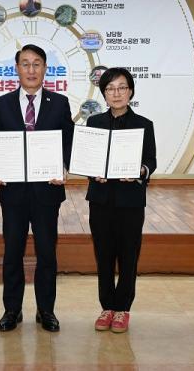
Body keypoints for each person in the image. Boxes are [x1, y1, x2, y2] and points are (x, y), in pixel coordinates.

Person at [0, 44, 74, 333]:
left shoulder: (59, 103)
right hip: (13, 192)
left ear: (45, 69)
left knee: (47, 253)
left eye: (37, 64)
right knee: (12, 252)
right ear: (17, 69)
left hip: (47, 191)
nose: (31, 69)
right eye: (25, 64)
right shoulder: (2, 104)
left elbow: (68, 142)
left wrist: (64, 167)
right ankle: (12, 310)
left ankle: (45, 310)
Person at [85, 67, 156, 334]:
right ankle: (107, 307)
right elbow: (89, 159)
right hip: (101, 200)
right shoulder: (94, 123)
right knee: (103, 255)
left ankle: (123, 308)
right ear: (104, 94)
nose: (116, 93)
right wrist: (93, 172)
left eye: (122, 87)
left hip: (130, 202)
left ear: (131, 91)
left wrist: (139, 171)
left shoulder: (144, 124)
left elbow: (150, 160)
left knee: (128, 256)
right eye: (110, 88)